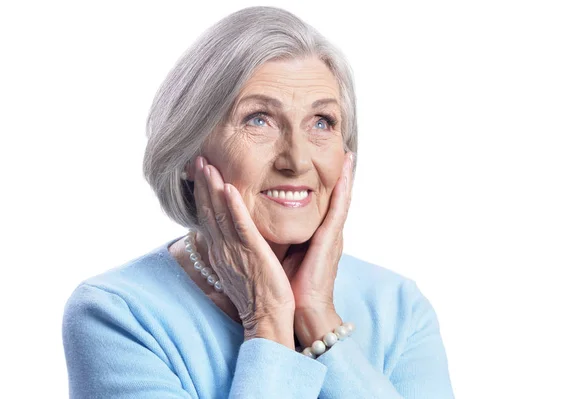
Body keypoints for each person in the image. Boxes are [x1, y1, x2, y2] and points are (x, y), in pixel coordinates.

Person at [62, 6, 454, 398]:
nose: (297, 161)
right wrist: (266, 318)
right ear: (187, 152)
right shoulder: (116, 314)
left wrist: (317, 316)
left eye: (322, 122)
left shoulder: (399, 306)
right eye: (258, 119)